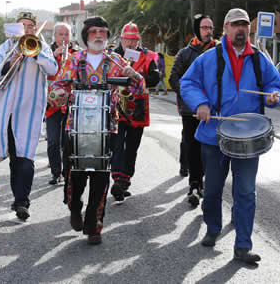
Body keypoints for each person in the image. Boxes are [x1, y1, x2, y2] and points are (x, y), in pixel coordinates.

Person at [180, 8, 280, 264]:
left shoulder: (259, 58)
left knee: (245, 192)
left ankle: (243, 246)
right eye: (235, 25)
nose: (240, 29)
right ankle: (213, 228)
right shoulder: (208, 57)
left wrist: (273, 96)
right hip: (214, 136)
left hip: (249, 138)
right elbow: (187, 83)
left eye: (244, 25)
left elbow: (273, 84)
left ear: (249, 28)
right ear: (225, 27)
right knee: (212, 190)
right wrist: (200, 103)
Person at [49, 16, 145, 245]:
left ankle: (94, 226)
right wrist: (58, 96)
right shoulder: (74, 60)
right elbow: (56, 87)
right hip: (75, 128)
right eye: (94, 31)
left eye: (103, 31)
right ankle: (74, 208)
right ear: (85, 35)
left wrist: (134, 77)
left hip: (107, 128)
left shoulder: (115, 60)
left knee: (101, 181)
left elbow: (140, 86)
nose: (99, 35)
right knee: (74, 178)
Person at [0, 12, 57, 221]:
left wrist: (36, 55)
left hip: (30, 111)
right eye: (22, 25)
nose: (25, 29)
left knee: (26, 155)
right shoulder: (5, 48)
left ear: (34, 29)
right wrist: (11, 62)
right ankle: (18, 198)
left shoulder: (41, 47)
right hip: (7, 111)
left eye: (29, 26)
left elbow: (53, 69)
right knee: (14, 159)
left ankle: (22, 201)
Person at [169, 14, 216, 207]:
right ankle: (194, 184)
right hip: (190, 111)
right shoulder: (185, 54)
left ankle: (206, 183)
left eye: (211, 28)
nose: (209, 31)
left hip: (214, 111)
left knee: (210, 149)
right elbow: (174, 79)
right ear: (198, 30)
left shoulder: (219, 51)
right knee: (193, 147)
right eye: (205, 28)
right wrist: (191, 96)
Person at [110, 22, 160, 201]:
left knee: (132, 147)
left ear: (138, 40)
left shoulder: (148, 57)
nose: (130, 44)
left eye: (133, 40)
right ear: (121, 39)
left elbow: (155, 78)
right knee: (116, 145)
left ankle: (124, 182)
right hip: (116, 105)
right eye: (127, 40)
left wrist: (138, 76)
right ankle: (117, 178)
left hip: (138, 106)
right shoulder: (112, 56)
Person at [46, 22, 77, 185]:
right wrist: (52, 55)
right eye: (61, 34)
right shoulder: (46, 52)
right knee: (52, 141)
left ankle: (67, 172)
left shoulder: (77, 54)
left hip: (70, 103)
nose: (64, 38)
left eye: (67, 35)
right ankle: (55, 172)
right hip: (51, 104)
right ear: (55, 36)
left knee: (68, 140)